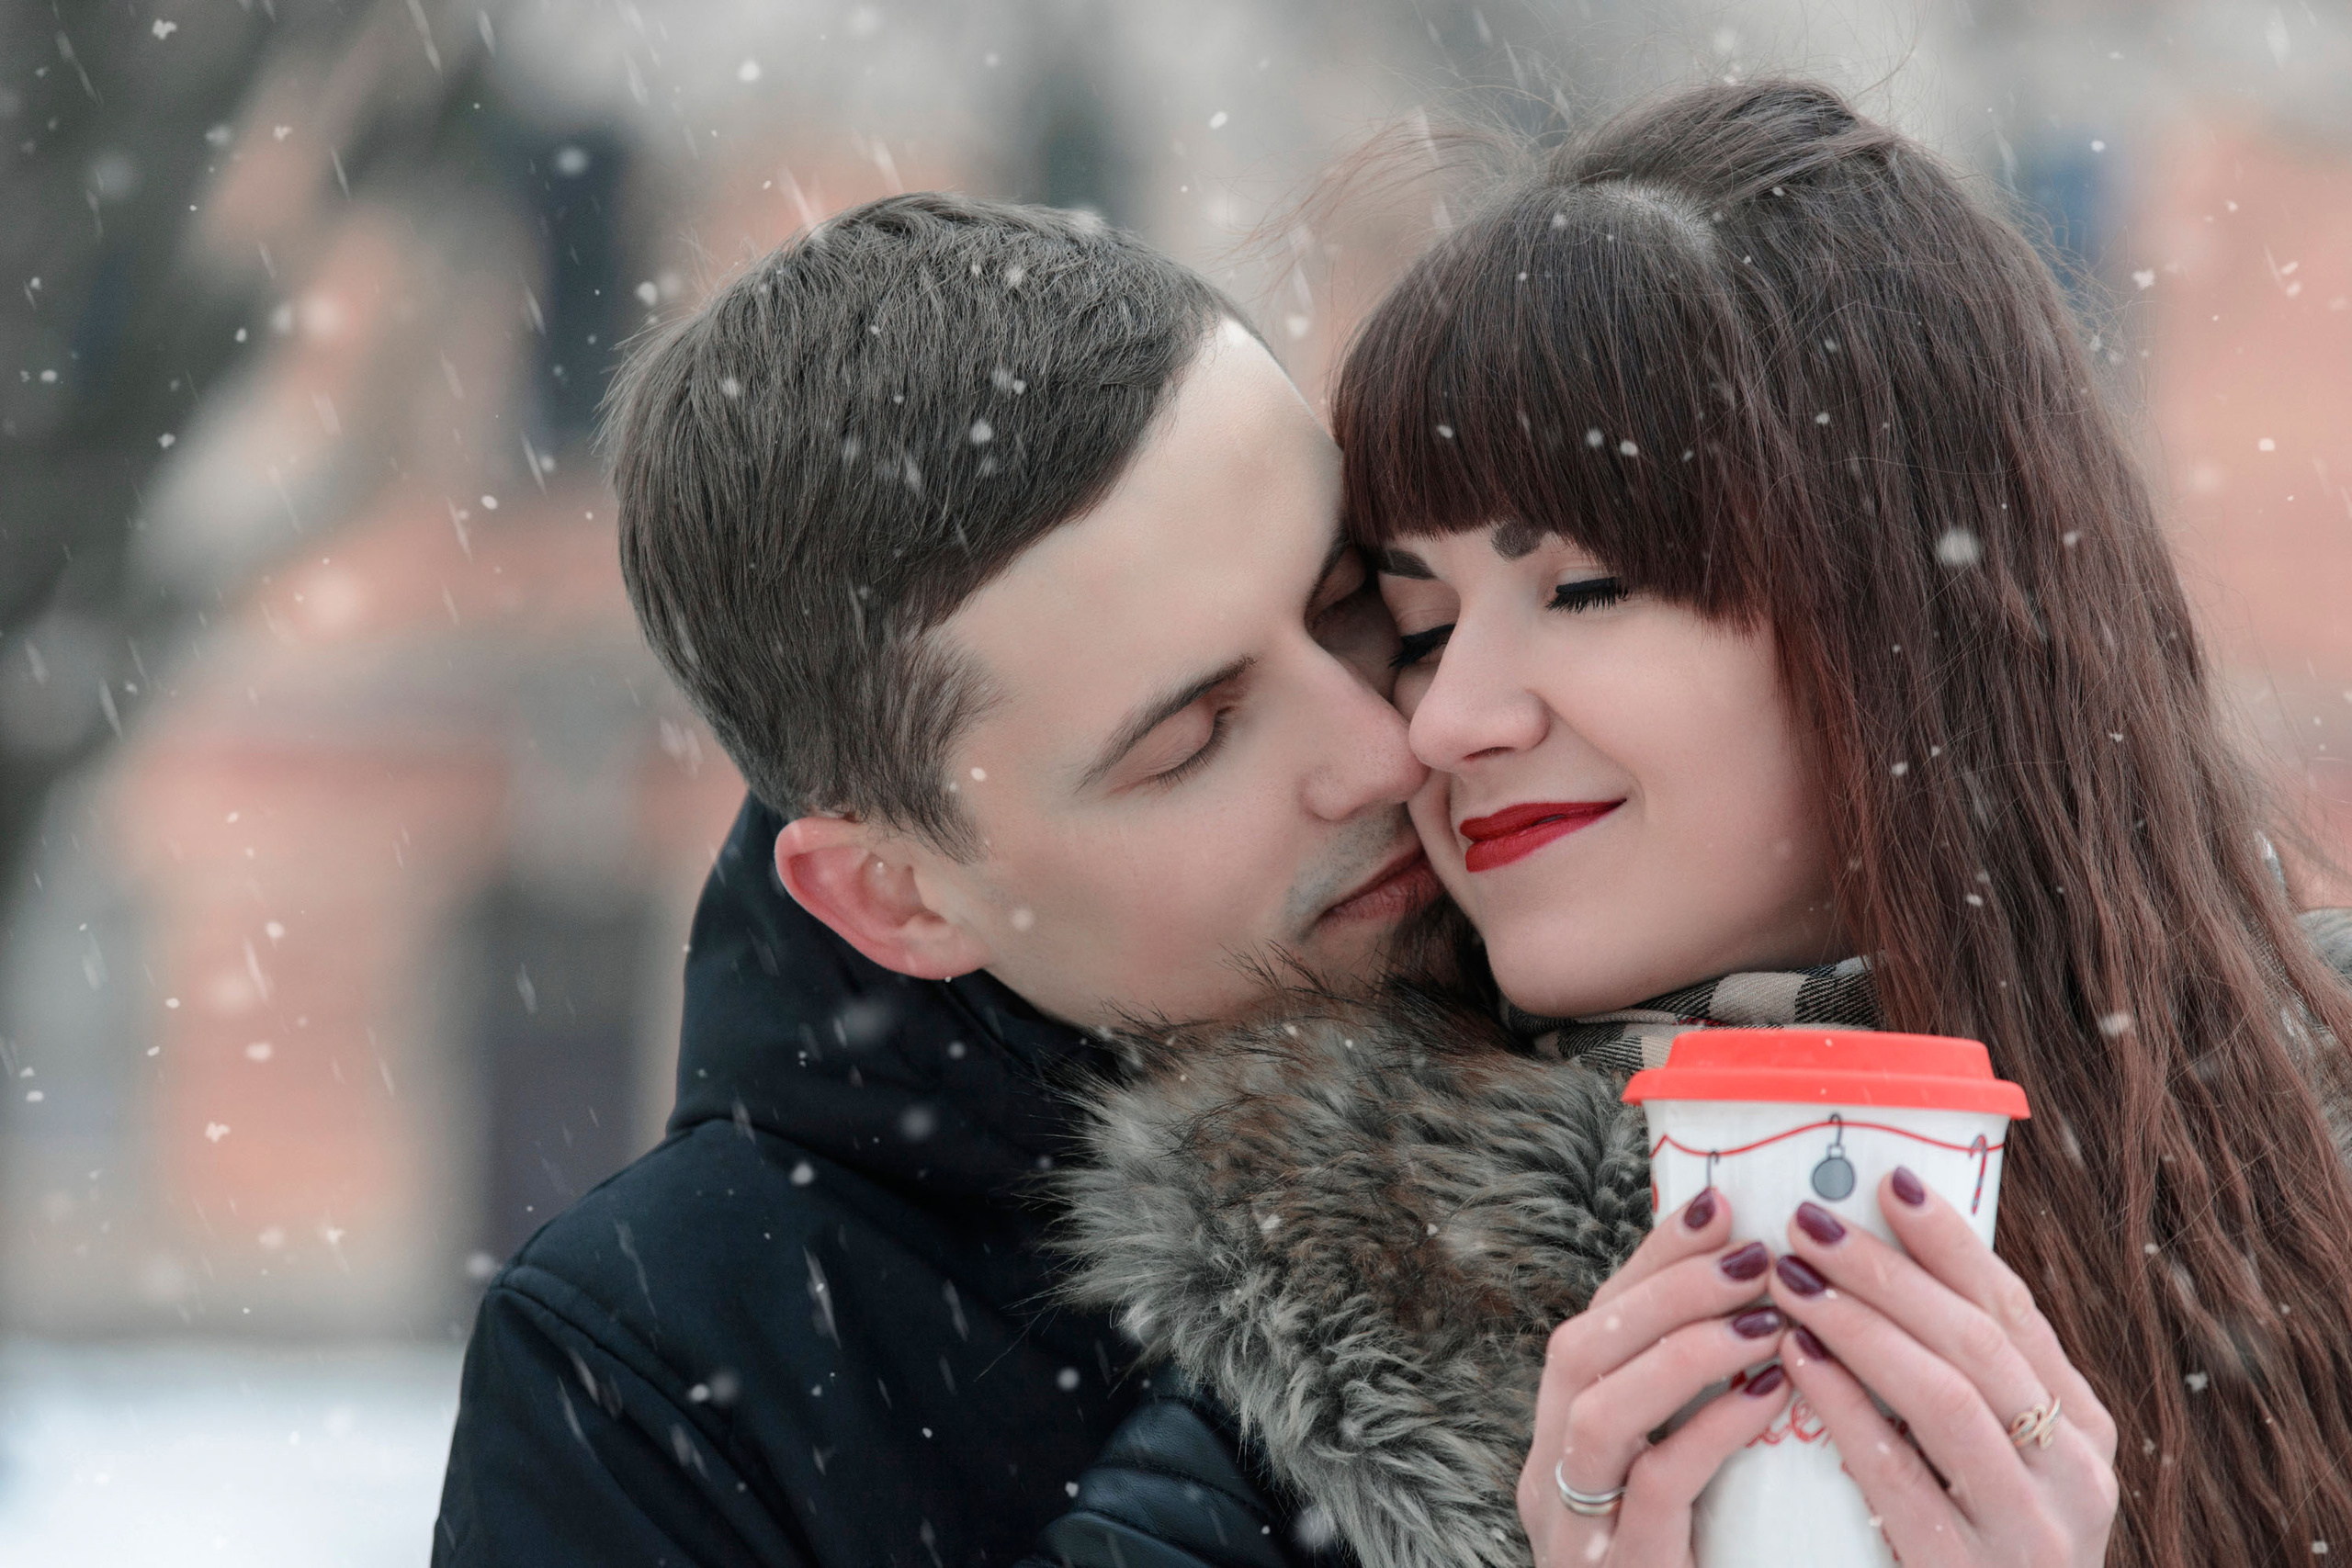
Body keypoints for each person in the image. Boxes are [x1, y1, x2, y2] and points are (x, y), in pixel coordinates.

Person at [1046, 78, 2352, 1568]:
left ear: (1900, 618)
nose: (1449, 717)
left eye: (1584, 589)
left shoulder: (2307, 1180)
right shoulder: (1287, 1357)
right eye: (1418, 626)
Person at [429, 192, 1448, 1567]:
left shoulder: (1662, 964)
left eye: (1353, 603)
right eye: (1194, 741)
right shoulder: (651, 1385)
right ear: (896, 896)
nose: (1386, 751)